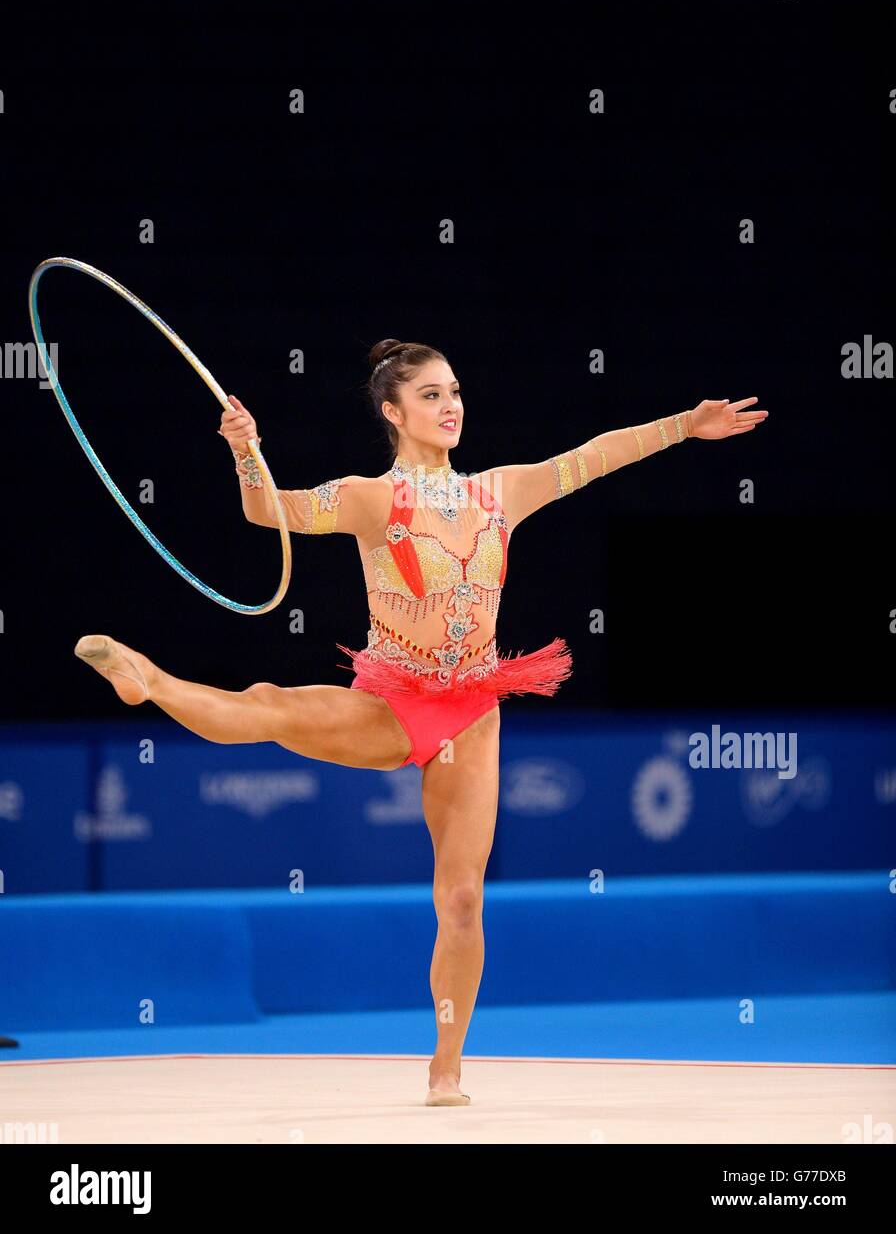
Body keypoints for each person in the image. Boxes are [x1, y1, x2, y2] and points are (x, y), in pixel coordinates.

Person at [75, 337, 768, 1105]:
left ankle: (446, 1063)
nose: (451, 406)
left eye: (456, 392)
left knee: (463, 897)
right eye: (432, 395)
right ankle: (152, 681)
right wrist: (248, 452)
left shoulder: (500, 492)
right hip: (391, 699)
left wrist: (684, 423)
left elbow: (595, 456)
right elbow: (267, 511)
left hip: (471, 708)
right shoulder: (370, 498)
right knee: (271, 703)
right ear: (393, 412)